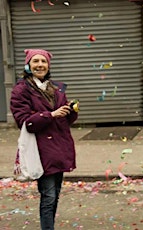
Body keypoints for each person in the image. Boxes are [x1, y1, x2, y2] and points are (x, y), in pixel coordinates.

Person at [10, 49, 78, 230]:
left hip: (60, 148)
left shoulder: (55, 89)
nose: (40, 65)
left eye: (43, 61)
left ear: (48, 66)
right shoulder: (21, 90)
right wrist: (51, 114)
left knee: (54, 194)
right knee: (48, 196)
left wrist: (71, 111)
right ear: (28, 65)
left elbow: (65, 121)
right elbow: (25, 122)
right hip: (40, 150)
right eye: (35, 61)